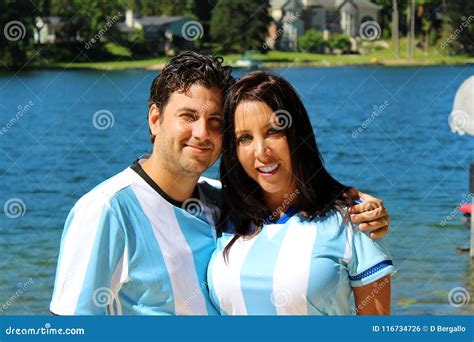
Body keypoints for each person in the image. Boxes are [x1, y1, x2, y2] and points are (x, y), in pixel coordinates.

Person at [50, 52, 391, 315]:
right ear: (155, 119)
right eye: (188, 116)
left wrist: (354, 202)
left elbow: (292, 203)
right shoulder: (105, 210)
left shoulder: (221, 202)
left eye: (215, 121)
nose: (201, 133)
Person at [208, 71, 395, 315]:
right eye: (245, 138)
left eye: (273, 131)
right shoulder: (218, 210)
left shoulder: (354, 219)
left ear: (297, 133)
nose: (260, 151)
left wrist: (349, 198)